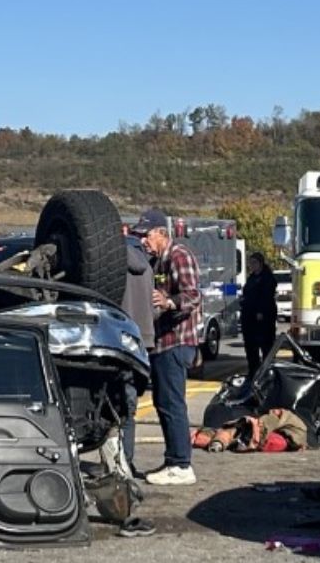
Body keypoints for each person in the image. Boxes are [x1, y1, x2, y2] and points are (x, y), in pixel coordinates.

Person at [132, 208, 202, 486]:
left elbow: (193, 295)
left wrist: (169, 302)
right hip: (162, 343)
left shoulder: (178, 256)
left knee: (172, 403)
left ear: (162, 233)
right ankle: (174, 458)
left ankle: (181, 465)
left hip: (177, 341)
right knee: (163, 402)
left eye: (146, 236)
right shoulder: (157, 261)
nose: (143, 242)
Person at [118, 234, 156, 476]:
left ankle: (120, 461)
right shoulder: (148, 269)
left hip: (119, 339)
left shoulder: (115, 266)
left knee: (117, 406)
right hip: (143, 341)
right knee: (130, 407)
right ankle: (126, 461)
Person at [240, 252, 278, 380]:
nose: (251, 266)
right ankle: (253, 371)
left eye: (254, 263)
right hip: (249, 317)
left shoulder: (267, 278)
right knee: (251, 347)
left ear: (260, 263)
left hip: (263, 319)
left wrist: (261, 311)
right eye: (250, 263)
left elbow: (266, 296)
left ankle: (267, 373)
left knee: (265, 345)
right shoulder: (251, 278)